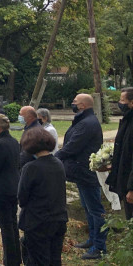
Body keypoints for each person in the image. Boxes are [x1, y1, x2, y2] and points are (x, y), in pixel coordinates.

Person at [55, 93, 106, 260]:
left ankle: (100, 247)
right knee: (88, 208)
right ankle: (92, 239)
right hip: (81, 172)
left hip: (86, 172)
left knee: (95, 210)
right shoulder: (84, 120)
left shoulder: (87, 123)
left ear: (83, 105)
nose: (73, 103)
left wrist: (55, 158)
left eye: (75, 101)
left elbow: (73, 146)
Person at [18, 128, 68, 266]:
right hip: (58, 218)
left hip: (37, 221)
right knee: (55, 259)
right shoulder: (58, 163)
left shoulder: (31, 168)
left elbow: (22, 197)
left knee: (38, 260)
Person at [0, 114, 22, 266]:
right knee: (12, 224)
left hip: (1, 189)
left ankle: (10, 261)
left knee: (6, 227)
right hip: (14, 186)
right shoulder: (14, 141)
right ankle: (16, 257)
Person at [106, 87, 133, 219]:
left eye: (122, 100)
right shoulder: (127, 120)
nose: (120, 103)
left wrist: (131, 188)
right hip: (124, 178)